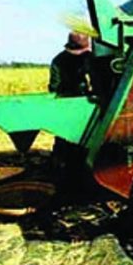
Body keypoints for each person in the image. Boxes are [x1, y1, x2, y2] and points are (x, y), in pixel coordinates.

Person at [48, 32, 93, 189]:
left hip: (83, 105)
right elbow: (54, 87)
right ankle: (62, 176)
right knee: (65, 142)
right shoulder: (59, 61)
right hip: (68, 105)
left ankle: (72, 173)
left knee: (74, 142)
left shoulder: (88, 58)